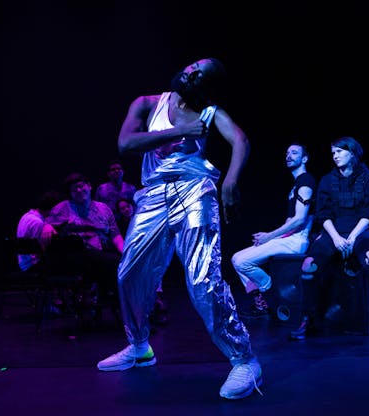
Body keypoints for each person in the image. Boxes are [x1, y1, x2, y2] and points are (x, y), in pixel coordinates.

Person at [96, 57, 263, 400]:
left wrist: (230, 178)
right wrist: (180, 132)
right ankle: (139, 346)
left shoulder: (210, 111)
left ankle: (244, 359)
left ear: (207, 84)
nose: (191, 71)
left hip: (195, 190)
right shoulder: (147, 103)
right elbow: (125, 145)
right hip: (154, 194)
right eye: (191, 65)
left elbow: (241, 141)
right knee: (130, 272)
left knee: (203, 278)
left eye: (200, 72)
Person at [290, 136, 369, 348]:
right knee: (308, 264)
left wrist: (352, 238)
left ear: (353, 153)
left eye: (339, 151)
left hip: (364, 231)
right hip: (334, 233)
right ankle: (307, 318)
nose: (335, 156)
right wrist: (337, 238)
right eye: (333, 153)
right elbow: (324, 214)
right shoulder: (327, 180)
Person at [232, 143, 316, 318]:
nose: (289, 156)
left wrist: (270, 236)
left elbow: (300, 219)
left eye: (294, 153)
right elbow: (290, 221)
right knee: (235, 259)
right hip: (289, 237)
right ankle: (261, 303)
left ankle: (271, 289)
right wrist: (269, 237)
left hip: (297, 240)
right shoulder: (296, 185)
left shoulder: (306, 181)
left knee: (242, 262)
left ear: (305, 159)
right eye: (287, 153)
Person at [43, 172, 124, 305]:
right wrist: (46, 225)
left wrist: (126, 253)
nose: (79, 190)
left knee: (126, 262)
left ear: (89, 186)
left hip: (101, 252)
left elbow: (115, 234)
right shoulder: (64, 207)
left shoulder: (104, 209)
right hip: (79, 255)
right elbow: (49, 224)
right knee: (112, 264)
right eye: (74, 189)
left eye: (81, 186)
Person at [116, 196, 168, 326]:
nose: (126, 210)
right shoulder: (121, 225)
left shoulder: (142, 218)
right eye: (122, 209)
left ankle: (157, 299)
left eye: (127, 206)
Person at [16, 189, 62, 272]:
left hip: (23, 263)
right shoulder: (38, 223)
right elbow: (42, 250)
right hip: (32, 265)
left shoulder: (27, 215)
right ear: (53, 209)